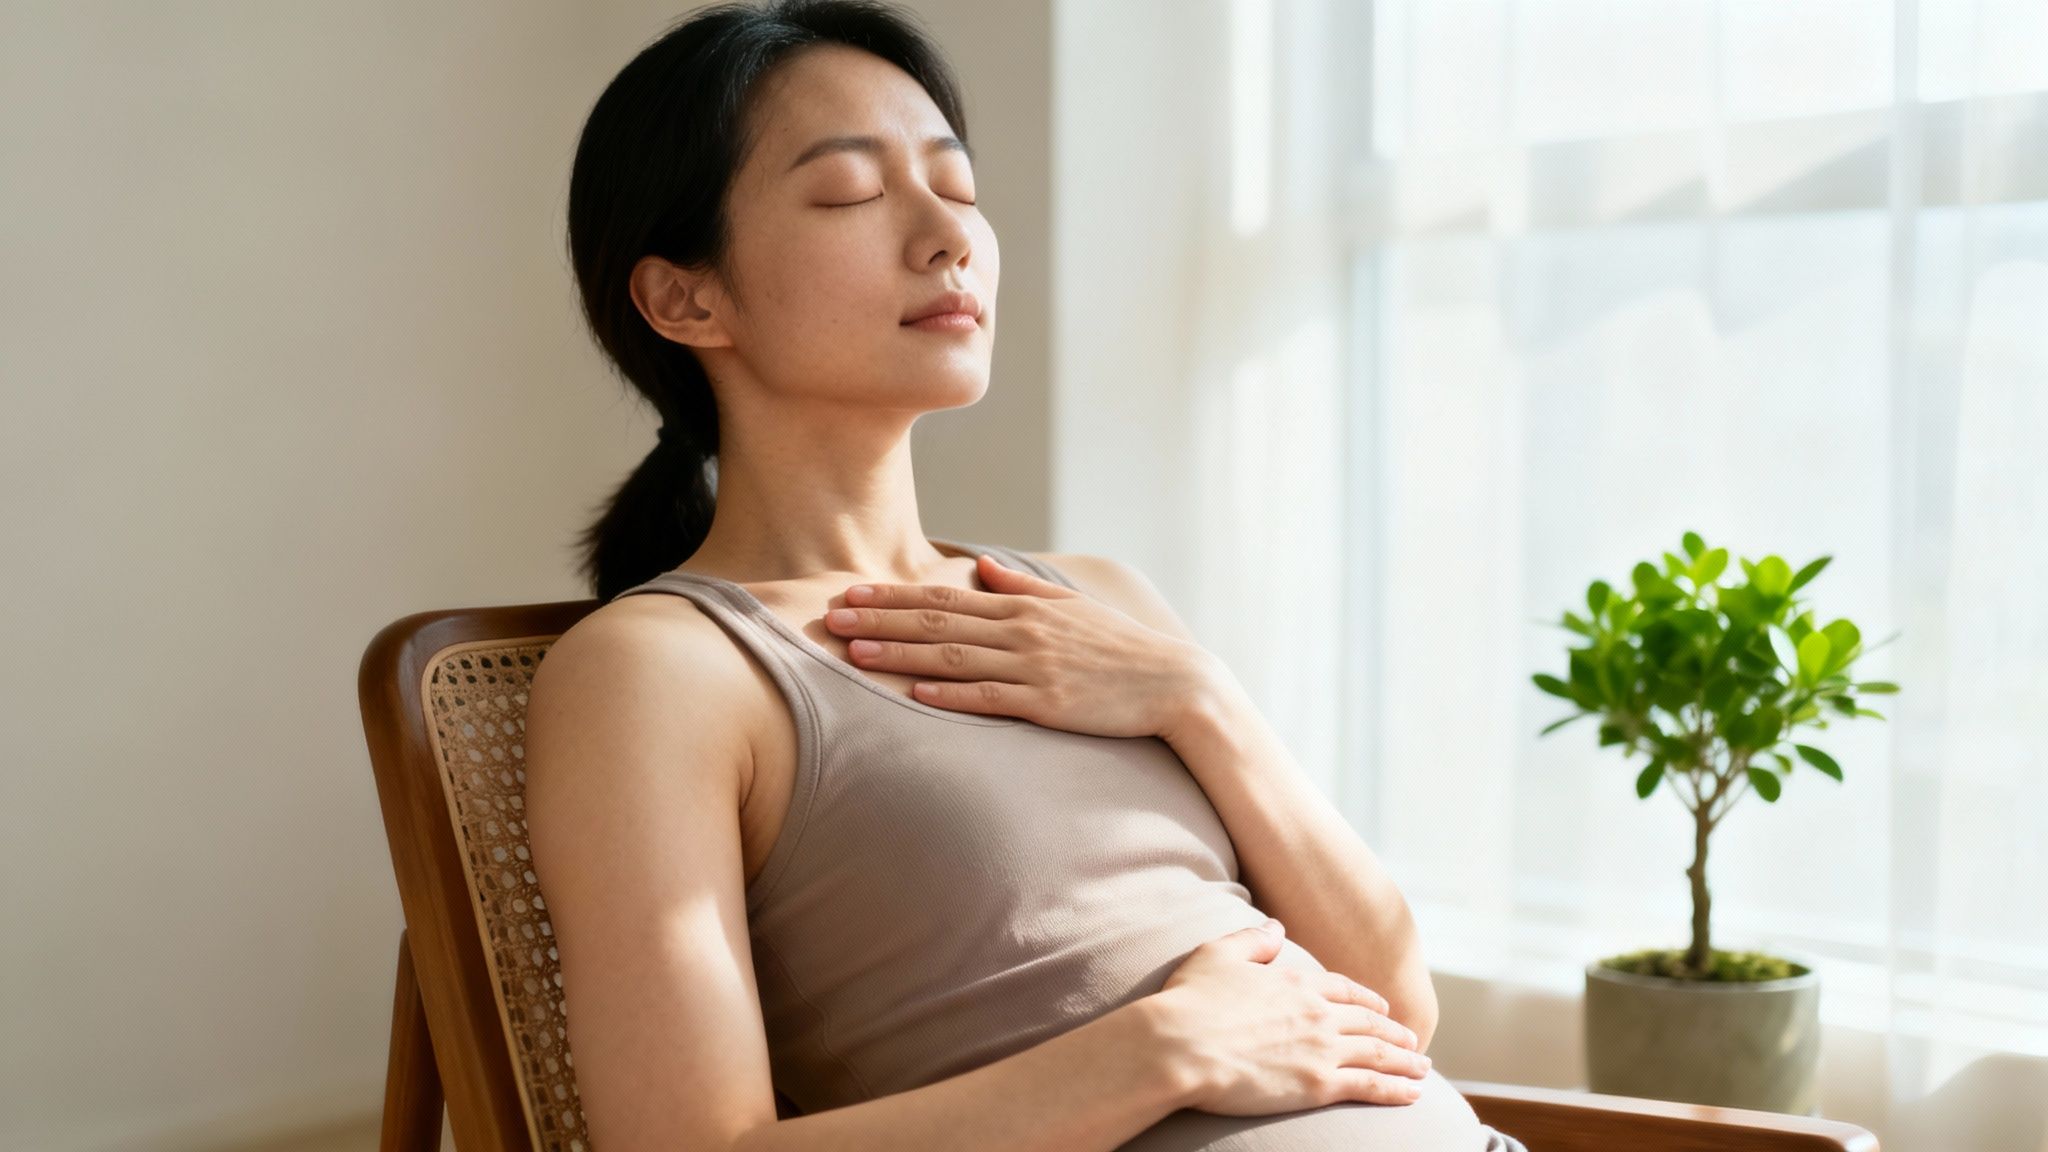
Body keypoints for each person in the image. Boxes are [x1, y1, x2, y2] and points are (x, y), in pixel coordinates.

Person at [524, 3, 1527, 1149]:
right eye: (852, 193)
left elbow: (1396, 1006)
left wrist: (1195, 700)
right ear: (685, 299)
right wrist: (1161, 1049)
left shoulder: (1097, 602)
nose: (946, 236)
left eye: (955, 185)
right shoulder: (661, 672)